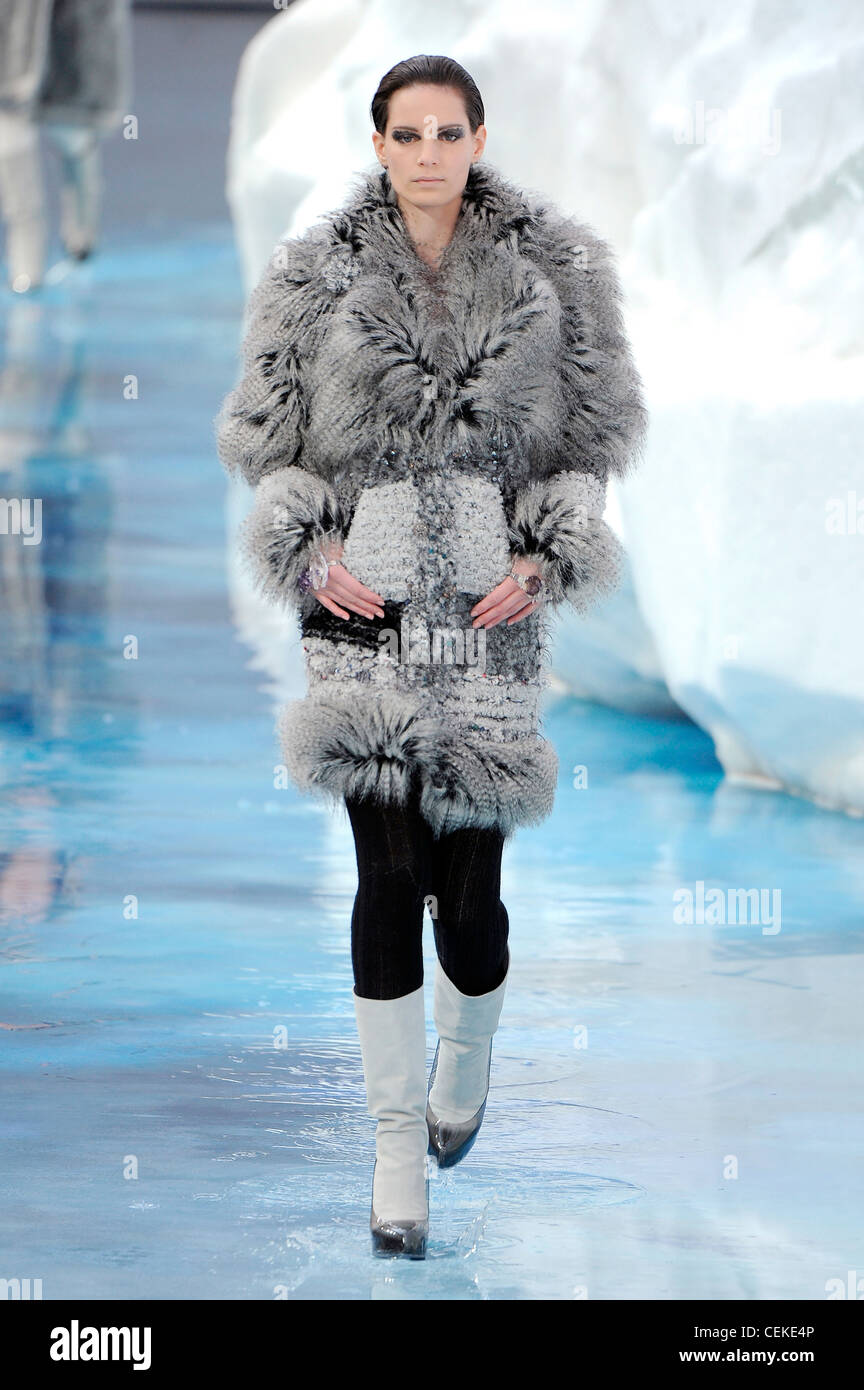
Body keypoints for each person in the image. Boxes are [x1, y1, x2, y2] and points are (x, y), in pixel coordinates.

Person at [216, 54, 647, 1260]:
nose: (425, 153)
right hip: (362, 612)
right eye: (404, 133)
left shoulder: (557, 275)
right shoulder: (313, 278)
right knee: (384, 872)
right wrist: (304, 544)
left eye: (445, 131)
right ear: (378, 142)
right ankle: (395, 1147)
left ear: (478, 136)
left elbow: (593, 448)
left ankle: (470, 1050)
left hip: (494, 619)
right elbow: (267, 446)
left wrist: (551, 552)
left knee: (471, 899)